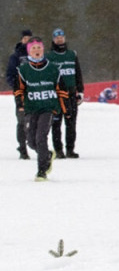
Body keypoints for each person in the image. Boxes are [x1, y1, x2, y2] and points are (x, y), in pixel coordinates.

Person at [13, 37, 68, 181]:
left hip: (48, 108)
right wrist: (20, 104)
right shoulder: (23, 70)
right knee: (31, 141)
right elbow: (18, 90)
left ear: (43, 49)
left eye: (39, 48)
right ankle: (47, 155)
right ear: (29, 51)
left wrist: (65, 108)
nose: (36, 51)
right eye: (33, 48)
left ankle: (41, 171)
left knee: (40, 138)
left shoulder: (53, 68)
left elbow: (62, 89)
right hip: (31, 109)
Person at [47, 28, 84, 159]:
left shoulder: (72, 54)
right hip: (56, 95)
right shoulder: (49, 56)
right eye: (56, 37)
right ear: (53, 39)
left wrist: (81, 91)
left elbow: (78, 73)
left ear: (65, 38)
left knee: (71, 122)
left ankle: (70, 149)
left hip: (71, 93)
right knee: (56, 124)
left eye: (61, 36)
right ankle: (58, 150)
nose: (59, 39)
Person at [6, 29, 32, 159]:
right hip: (21, 94)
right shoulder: (15, 56)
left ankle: (35, 144)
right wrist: (17, 88)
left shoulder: (37, 54)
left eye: (29, 38)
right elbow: (10, 75)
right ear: (22, 40)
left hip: (35, 92)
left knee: (35, 121)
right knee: (22, 121)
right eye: (25, 38)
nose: (27, 41)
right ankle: (22, 148)